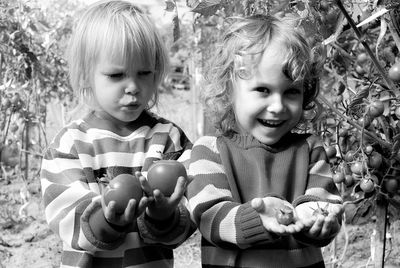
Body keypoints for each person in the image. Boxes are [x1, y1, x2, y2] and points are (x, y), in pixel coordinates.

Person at [40, 1, 193, 267]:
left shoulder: (169, 139)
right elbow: (64, 219)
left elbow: (190, 211)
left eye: (144, 73)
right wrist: (107, 219)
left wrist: (163, 215)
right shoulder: (70, 145)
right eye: (116, 75)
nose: (133, 86)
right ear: (86, 76)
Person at [187, 14, 343, 268]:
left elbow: (322, 202)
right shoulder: (210, 151)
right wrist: (257, 219)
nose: (278, 106)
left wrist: (318, 219)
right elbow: (209, 218)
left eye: (291, 91)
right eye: (263, 90)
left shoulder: (310, 149)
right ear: (229, 89)